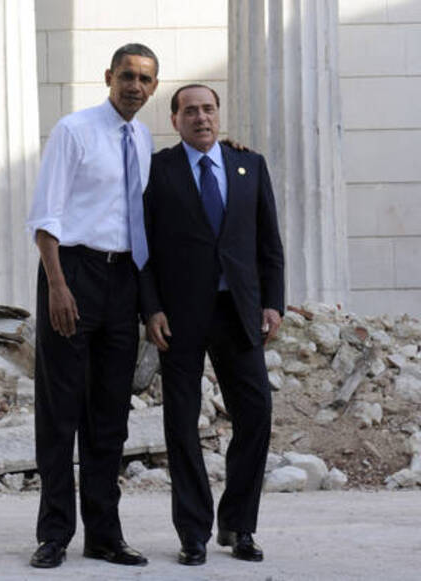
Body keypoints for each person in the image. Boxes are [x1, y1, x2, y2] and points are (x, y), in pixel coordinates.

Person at [24, 43, 159, 569]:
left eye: (145, 79)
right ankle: (54, 533)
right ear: (109, 76)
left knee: (109, 415)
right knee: (60, 410)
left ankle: (104, 534)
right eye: (127, 75)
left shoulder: (143, 138)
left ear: (153, 87)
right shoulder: (74, 130)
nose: (135, 86)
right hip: (72, 272)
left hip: (122, 280)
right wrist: (58, 286)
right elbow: (45, 216)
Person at [139, 83, 285, 566]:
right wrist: (151, 308)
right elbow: (145, 250)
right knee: (181, 424)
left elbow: (269, 245)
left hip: (238, 312)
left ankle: (239, 525)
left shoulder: (249, 165)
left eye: (208, 109)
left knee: (256, 413)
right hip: (179, 318)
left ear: (219, 115)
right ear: (175, 119)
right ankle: (193, 533)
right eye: (190, 111)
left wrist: (273, 304)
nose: (201, 118)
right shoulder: (158, 171)